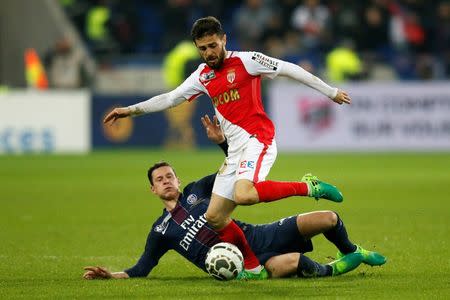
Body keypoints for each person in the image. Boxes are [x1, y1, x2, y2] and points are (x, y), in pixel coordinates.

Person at [103, 16, 352, 279]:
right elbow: (170, 98)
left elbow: (289, 69)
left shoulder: (247, 60)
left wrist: (330, 91)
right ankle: (254, 268)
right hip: (235, 151)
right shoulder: (202, 75)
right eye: (202, 48)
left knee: (244, 194)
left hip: (258, 139)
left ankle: (308, 187)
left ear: (223, 39)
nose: (209, 53)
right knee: (214, 217)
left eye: (212, 45)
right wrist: (130, 110)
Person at [83, 117, 386, 280]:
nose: (165, 182)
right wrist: (112, 275)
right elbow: (142, 268)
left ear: (177, 179)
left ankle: (352, 250)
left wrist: (222, 142)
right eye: (159, 180)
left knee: (328, 219)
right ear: (153, 190)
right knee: (294, 263)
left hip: (259, 235)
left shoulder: (197, 190)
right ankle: (335, 269)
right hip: (237, 264)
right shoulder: (161, 231)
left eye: (169, 176)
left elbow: (237, 170)